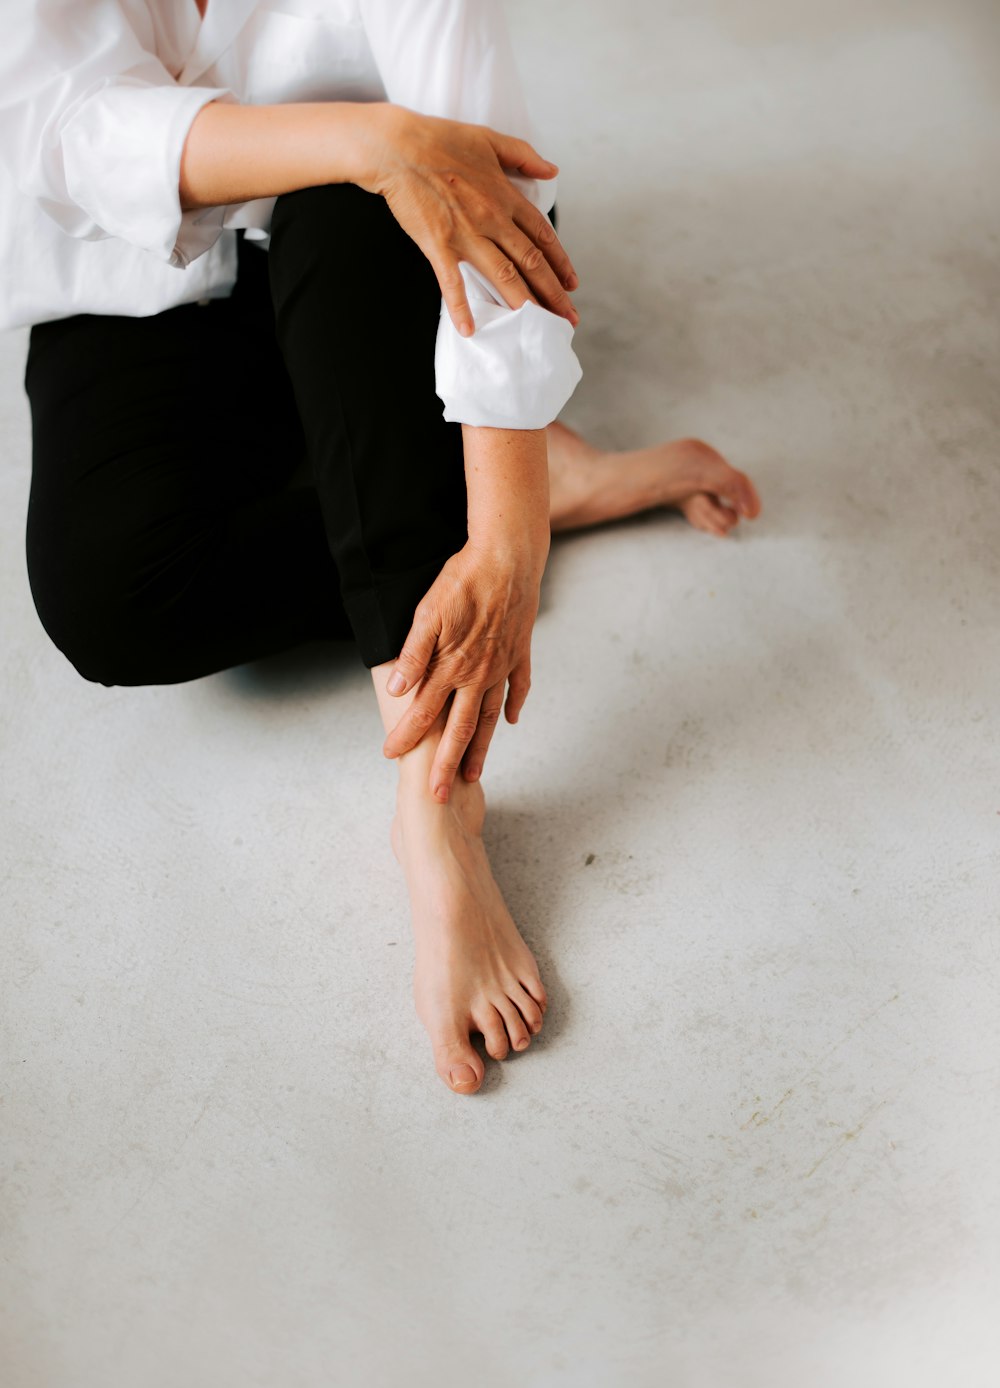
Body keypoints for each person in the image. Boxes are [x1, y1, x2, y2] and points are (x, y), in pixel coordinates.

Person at [1, 0, 761, 1096]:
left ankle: (437, 809)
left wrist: (506, 546)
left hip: (378, 253)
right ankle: (536, 471)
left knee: (392, 181)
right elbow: (71, 133)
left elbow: (488, 201)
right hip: (142, 272)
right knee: (114, 597)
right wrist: (370, 135)